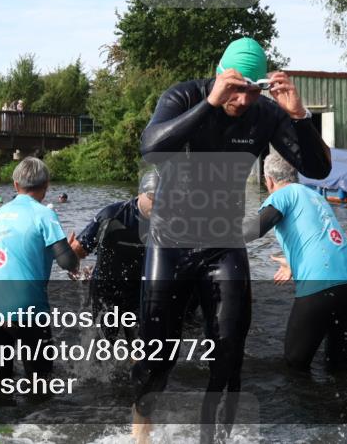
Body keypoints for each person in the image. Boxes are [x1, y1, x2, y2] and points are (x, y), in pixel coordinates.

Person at [131, 36, 331, 443]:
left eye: (251, 91)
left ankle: (213, 437)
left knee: (229, 350)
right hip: (170, 240)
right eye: (236, 89)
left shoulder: (266, 114)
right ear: (222, 75)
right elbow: (150, 148)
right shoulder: (185, 96)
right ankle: (141, 435)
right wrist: (208, 104)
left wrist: (299, 117)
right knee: (157, 353)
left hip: (222, 243)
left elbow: (318, 168)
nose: (242, 100)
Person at [0, 157, 79, 406]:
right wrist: (72, 249)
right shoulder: (45, 214)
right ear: (46, 185)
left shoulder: (2, 212)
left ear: (15, 185)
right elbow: (68, 263)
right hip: (28, 310)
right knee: (40, 384)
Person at [253, 153, 347, 372]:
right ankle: (345, 404)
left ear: (269, 181)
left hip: (321, 283)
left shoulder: (283, 194)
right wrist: (292, 262)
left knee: (295, 364)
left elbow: (253, 229)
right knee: (338, 365)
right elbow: (321, 239)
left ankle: (303, 407)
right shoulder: (315, 196)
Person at [70, 171, 157, 341]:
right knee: (103, 347)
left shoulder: (167, 222)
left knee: (141, 349)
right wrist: (71, 261)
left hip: (139, 292)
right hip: (106, 291)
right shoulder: (113, 215)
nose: (158, 203)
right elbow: (79, 250)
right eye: (153, 196)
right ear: (140, 193)